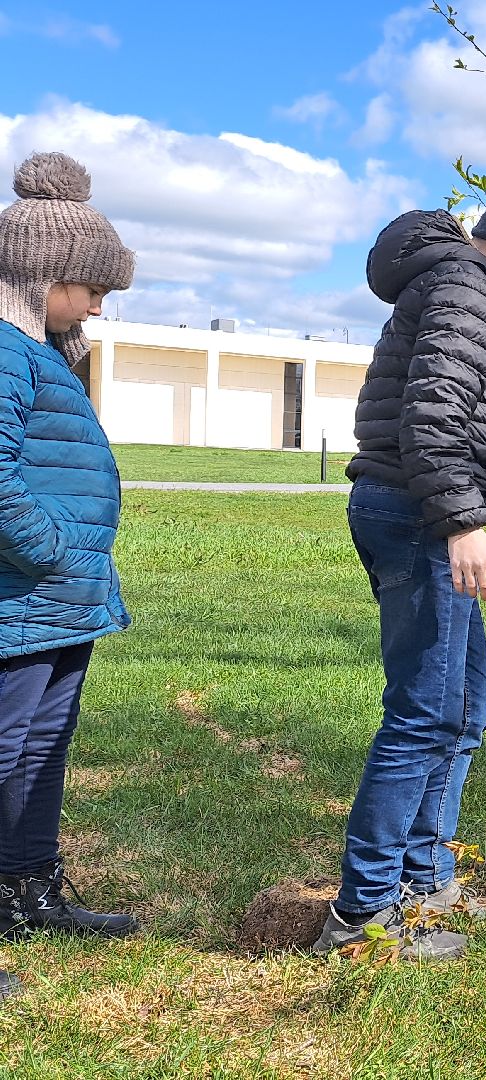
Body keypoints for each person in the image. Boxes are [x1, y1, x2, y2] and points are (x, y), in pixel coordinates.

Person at [311, 169, 486, 960]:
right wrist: (464, 524)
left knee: (466, 707)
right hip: (419, 518)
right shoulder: (468, 288)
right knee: (425, 715)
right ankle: (362, 916)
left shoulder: (460, 286)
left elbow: (468, 428)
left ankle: (425, 880)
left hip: (413, 506)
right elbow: (431, 417)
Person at [0, 152, 142, 999]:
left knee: (43, 751)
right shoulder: (5, 353)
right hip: (20, 597)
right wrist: (53, 549)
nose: (96, 304)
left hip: (60, 603)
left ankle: (27, 892)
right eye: (88, 287)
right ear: (39, 273)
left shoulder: (45, 353)